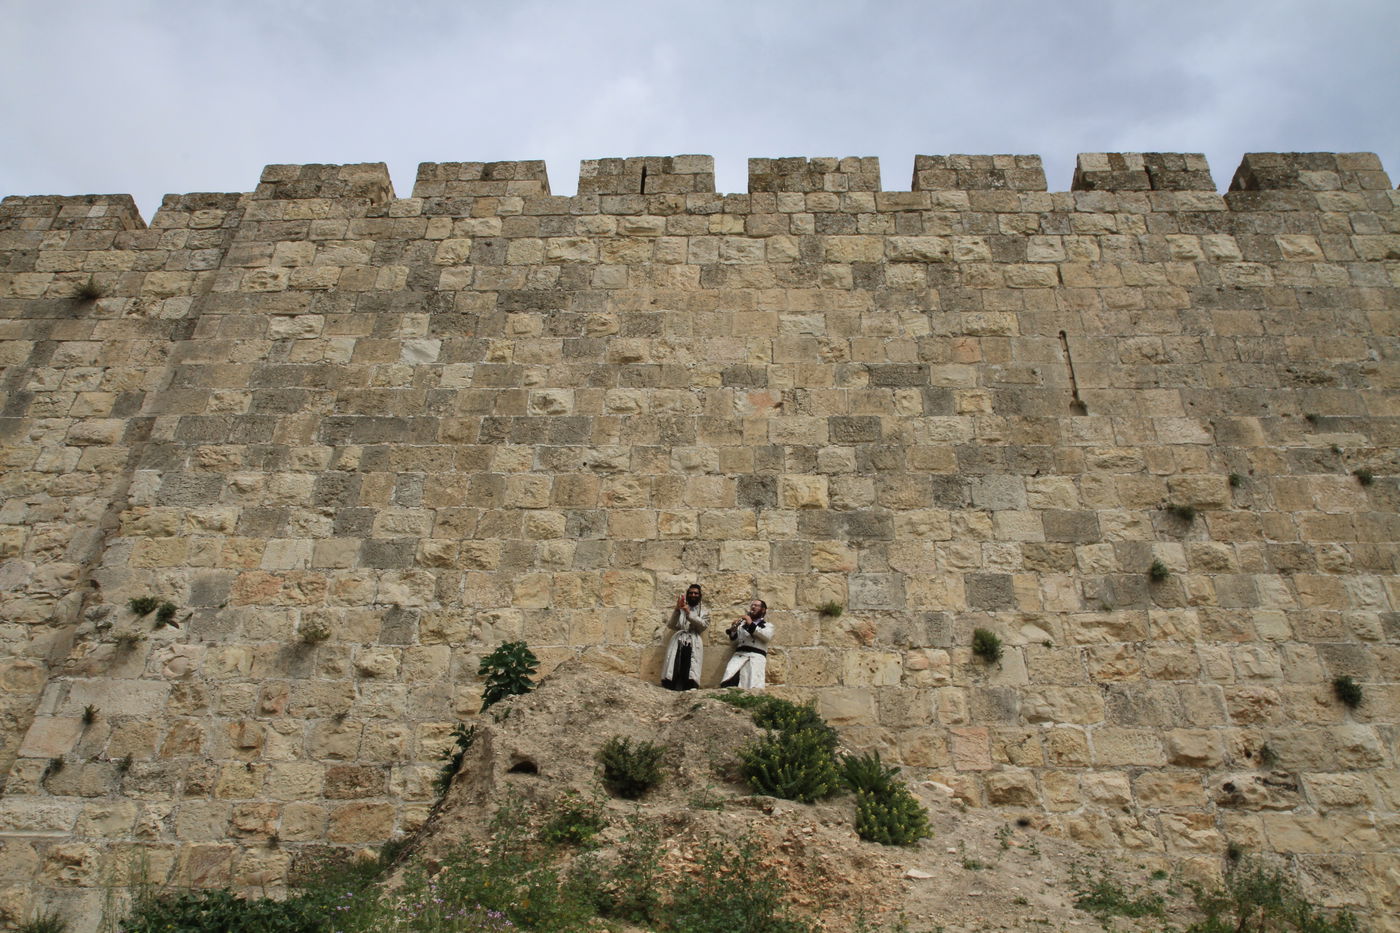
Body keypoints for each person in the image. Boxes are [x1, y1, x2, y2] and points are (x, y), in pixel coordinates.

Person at [661, 584, 709, 691]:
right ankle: (670, 685)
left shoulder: (705, 612)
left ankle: (689, 686)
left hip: (693, 639)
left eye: (696, 593)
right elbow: (672, 625)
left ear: (700, 595)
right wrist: (677, 610)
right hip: (678, 640)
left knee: (690, 667)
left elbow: (702, 626)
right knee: (674, 665)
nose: (693, 595)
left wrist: (689, 614)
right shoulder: (681, 609)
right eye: (691, 593)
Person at [720, 599, 772, 689]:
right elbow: (735, 642)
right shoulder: (742, 625)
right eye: (752, 605)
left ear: (763, 610)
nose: (753, 607)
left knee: (752, 686)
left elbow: (766, 636)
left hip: (755, 659)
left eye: (756, 605)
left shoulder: (768, 626)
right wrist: (734, 630)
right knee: (729, 682)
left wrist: (750, 623)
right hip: (739, 657)